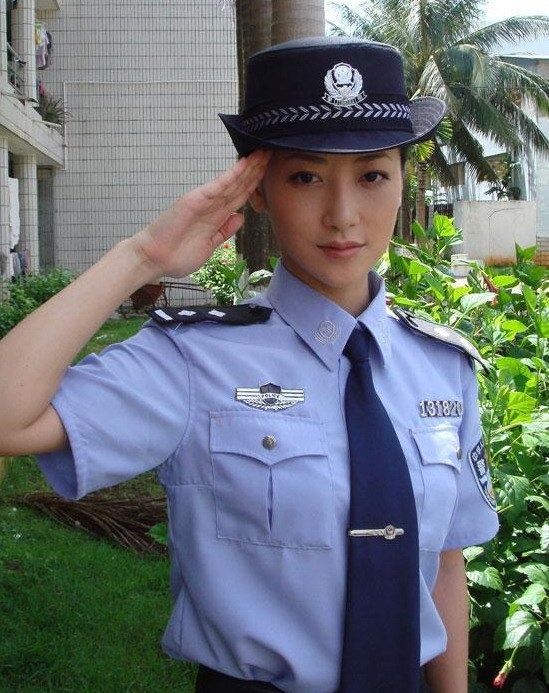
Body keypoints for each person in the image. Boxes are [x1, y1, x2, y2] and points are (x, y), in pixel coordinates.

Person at [0, 36, 498, 693]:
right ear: (257, 189)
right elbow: (8, 417)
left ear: (403, 181)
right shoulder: (193, 361)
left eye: (372, 175)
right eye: (305, 177)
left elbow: (444, 563)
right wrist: (142, 257)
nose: (342, 215)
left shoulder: (440, 366)